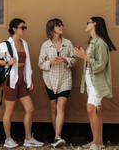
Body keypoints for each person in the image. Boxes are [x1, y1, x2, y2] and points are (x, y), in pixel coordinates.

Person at [0, 18, 44, 148]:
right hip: (10, 81)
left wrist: (29, 80)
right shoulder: (5, 45)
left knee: (30, 109)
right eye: (22, 27)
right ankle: (8, 139)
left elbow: (28, 63)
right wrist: (7, 62)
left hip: (22, 80)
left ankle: (28, 138)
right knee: (9, 111)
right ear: (14, 29)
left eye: (25, 27)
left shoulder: (24, 43)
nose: (25, 30)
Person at [74, 17, 117, 150]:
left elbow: (100, 65)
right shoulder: (92, 41)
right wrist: (83, 53)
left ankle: (95, 144)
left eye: (88, 22)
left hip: (97, 81)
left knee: (91, 108)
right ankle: (98, 142)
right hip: (90, 79)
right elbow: (92, 60)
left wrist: (84, 57)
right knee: (97, 110)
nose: (86, 24)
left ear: (94, 24)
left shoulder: (100, 43)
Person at [38, 18, 77, 147]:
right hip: (49, 80)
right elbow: (40, 63)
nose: (61, 26)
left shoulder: (68, 43)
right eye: (58, 25)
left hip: (65, 79)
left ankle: (57, 136)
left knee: (61, 107)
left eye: (62, 24)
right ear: (51, 28)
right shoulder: (45, 45)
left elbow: (74, 60)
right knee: (53, 108)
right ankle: (57, 138)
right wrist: (50, 62)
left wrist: (65, 60)